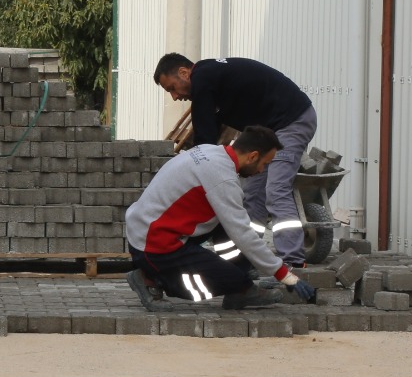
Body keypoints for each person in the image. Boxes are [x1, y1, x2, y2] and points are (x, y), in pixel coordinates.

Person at [124, 127, 318, 311]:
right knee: (224, 280)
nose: (261, 171)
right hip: (153, 245)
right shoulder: (222, 179)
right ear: (252, 156)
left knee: (227, 225)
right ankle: (150, 279)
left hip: (146, 228)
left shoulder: (212, 152)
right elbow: (243, 234)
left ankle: (240, 283)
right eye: (264, 164)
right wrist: (284, 274)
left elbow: (235, 227)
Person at [154, 52, 317, 267]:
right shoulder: (212, 79)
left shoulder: (203, 79)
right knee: (253, 194)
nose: (175, 97)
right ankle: (246, 260)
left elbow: (205, 144)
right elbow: (212, 138)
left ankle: (294, 262)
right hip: (269, 129)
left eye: (172, 88)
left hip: (291, 121)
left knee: (276, 190)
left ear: (184, 72)